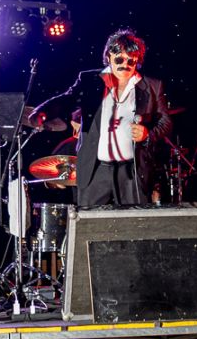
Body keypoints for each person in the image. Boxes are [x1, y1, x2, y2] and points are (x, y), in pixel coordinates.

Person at [33, 29, 172, 208]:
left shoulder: (152, 86)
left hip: (132, 169)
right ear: (108, 56)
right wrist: (42, 112)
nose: (125, 65)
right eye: (119, 59)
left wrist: (147, 134)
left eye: (131, 61)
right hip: (96, 168)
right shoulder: (91, 80)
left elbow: (165, 122)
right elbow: (66, 99)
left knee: (134, 224)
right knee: (89, 222)